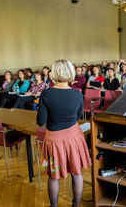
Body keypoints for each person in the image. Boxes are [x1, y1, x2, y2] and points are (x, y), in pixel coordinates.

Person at [37, 60, 91, 207]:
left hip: (54, 141)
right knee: (76, 172)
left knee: (53, 175)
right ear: (70, 73)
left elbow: (40, 121)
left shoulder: (46, 94)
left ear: (54, 73)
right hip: (74, 138)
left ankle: (53, 206)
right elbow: (78, 116)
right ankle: (76, 205)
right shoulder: (77, 94)